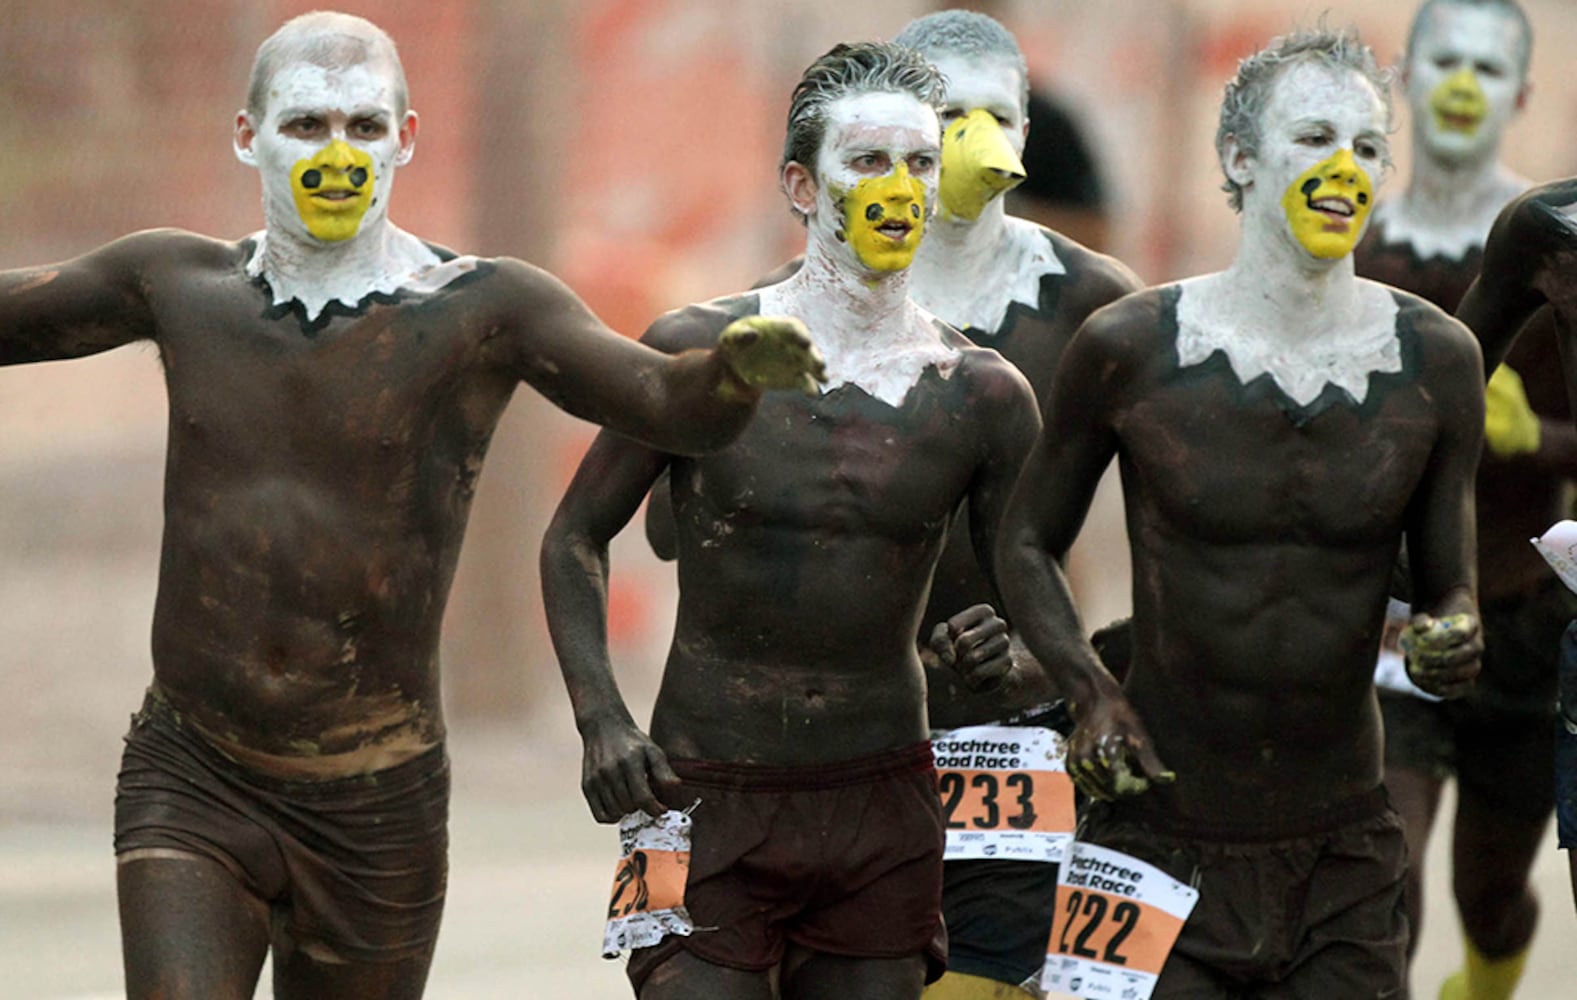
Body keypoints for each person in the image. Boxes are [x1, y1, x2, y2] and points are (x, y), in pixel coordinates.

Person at [0, 11, 823, 1000]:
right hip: (195, 769)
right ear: (247, 135)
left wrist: (732, 376)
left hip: (375, 807)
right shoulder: (176, 283)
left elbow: (663, 403)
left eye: (362, 126)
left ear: (405, 138)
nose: (337, 153)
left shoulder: (481, 309)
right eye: (306, 126)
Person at [541, 40, 1040, 1000]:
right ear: (802, 187)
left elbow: (1039, 609)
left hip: (882, 797)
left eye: (918, 163)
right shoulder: (698, 350)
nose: (899, 186)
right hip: (698, 790)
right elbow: (573, 537)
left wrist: (1006, 653)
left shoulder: (980, 394)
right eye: (867, 162)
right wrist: (602, 722)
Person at [996, 27, 1485, 997]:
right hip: (1151, 829)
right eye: (1311, 138)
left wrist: (1454, 632)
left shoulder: (1433, 363)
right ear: (1239, 158)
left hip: (1340, 839)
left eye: (1365, 146)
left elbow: (1445, 586)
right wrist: (1089, 692)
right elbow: (1021, 539)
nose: (1342, 166)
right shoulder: (1129, 348)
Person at [885, 12, 1142, 999]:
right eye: (946, 114)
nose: (971, 136)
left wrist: (1098, 672)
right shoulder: (811, 298)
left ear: (1026, 133)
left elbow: (1179, 513)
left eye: (996, 116)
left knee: (998, 972)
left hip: (1015, 710)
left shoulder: (1093, 304)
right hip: (844, 712)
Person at [1353, 3, 1566, 997]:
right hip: (1391, 616)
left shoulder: (1554, 252)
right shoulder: (1348, 245)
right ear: (1403, 74)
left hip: (1523, 612)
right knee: (1387, 879)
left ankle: (1483, 979)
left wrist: (1541, 439)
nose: (1460, 85)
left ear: (1519, 95)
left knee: (1489, 893)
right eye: (1443, 61)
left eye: (1487, 69)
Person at [1456, 174, 1577, 939]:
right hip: (1509, 614)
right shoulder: (1549, 227)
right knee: (1481, 891)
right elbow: (1441, 392)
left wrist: (1538, 440)